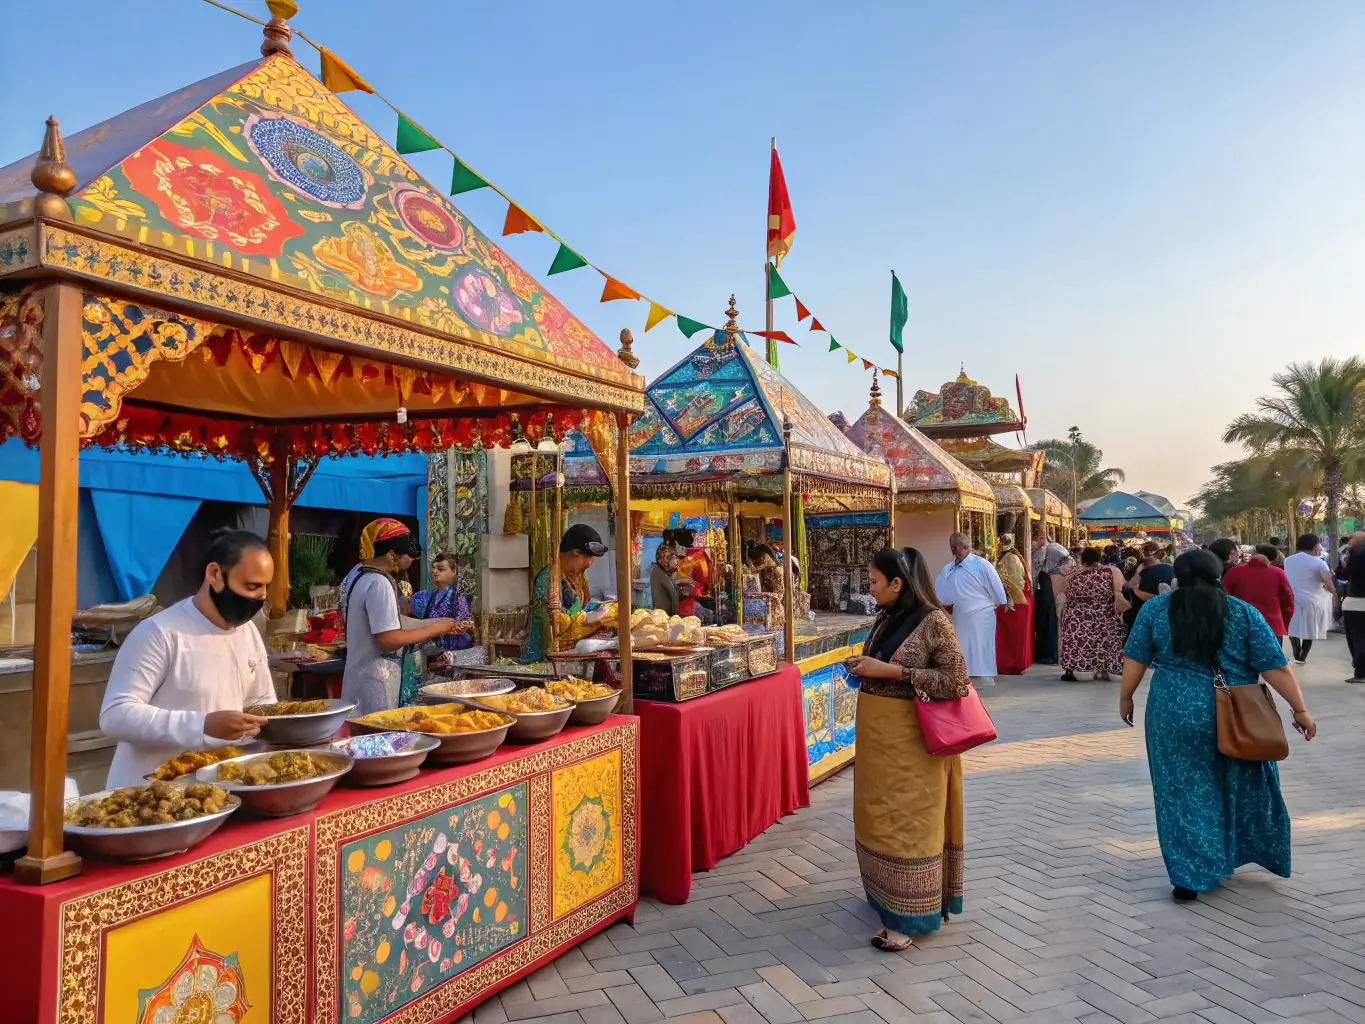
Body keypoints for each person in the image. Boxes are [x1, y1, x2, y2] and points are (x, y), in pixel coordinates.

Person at [1119, 549, 1316, 903]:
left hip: (1173, 709)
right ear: (1218, 574)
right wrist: (1300, 710)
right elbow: (1275, 667)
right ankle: (1229, 855)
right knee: (1240, 782)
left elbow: (1135, 659)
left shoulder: (1154, 609)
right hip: (1238, 710)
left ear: (1177, 576)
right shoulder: (1242, 613)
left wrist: (1126, 698)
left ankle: (1188, 876)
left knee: (1180, 790)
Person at [843, 547, 969, 951]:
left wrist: (892, 671)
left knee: (909, 826)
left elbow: (956, 681)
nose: (870, 589)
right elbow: (878, 662)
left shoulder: (934, 622)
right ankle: (884, 898)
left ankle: (908, 919)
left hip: (914, 746)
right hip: (878, 742)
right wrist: (863, 664)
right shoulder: (884, 617)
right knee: (877, 817)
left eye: (875, 582)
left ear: (898, 584)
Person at [99, 529, 277, 788]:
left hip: (224, 791)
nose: (261, 597)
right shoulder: (160, 633)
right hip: (149, 797)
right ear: (214, 574)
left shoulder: (247, 630)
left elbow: (261, 703)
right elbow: (115, 715)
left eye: (265, 588)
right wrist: (202, 724)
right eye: (252, 586)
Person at [340, 519, 458, 716]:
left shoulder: (354, 576)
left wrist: (436, 622)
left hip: (356, 679)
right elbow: (389, 640)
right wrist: (435, 630)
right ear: (391, 555)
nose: (411, 561)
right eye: (408, 556)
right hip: (376, 683)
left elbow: (392, 622)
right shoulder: (379, 583)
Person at [523, 523, 608, 663]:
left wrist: (601, 611)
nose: (590, 563)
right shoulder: (549, 580)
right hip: (544, 659)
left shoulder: (579, 577)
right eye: (588, 558)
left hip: (570, 654)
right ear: (575, 552)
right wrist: (587, 618)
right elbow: (557, 624)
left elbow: (582, 606)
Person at [935, 532, 1009, 685]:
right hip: (961, 614)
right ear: (954, 549)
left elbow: (998, 590)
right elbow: (941, 596)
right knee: (964, 646)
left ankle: (984, 676)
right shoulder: (948, 569)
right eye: (956, 549)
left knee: (982, 645)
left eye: (965, 548)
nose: (962, 552)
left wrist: (996, 603)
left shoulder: (981, 565)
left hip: (983, 613)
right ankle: (966, 676)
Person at [1058, 547, 1129, 681]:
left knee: (1080, 642)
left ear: (1083, 559)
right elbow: (1120, 589)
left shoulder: (1072, 573)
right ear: (1099, 558)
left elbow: (1063, 591)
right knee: (1107, 642)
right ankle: (1106, 669)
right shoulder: (1112, 571)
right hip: (1106, 617)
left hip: (1078, 620)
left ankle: (1080, 668)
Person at [1222, 544, 1294, 645]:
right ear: (1273, 559)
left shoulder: (1234, 571)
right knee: (1271, 658)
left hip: (1242, 624)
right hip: (1272, 625)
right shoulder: (1278, 573)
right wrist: (1284, 623)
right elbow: (1288, 600)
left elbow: (1224, 597)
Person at [1283, 533, 1334, 665]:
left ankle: (1296, 650)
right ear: (1316, 546)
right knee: (1309, 630)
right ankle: (1302, 657)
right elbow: (1327, 582)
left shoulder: (1288, 560)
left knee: (1293, 627)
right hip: (1313, 601)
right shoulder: (1319, 562)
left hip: (1292, 599)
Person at [409, 551, 475, 653]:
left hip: (447, 654)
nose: (435, 571)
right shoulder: (424, 596)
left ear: (454, 572)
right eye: (433, 568)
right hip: (426, 652)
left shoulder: (458, 598)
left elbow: (465, 626)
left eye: (440, 569)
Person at [1031, 531, 1072, 665]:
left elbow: (1068, 561)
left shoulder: (1052, 549)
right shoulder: (1043, 550)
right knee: (1043, 619)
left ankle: (1050, 653)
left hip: (1048, 586)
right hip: (1042, 587)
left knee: (1048, 619)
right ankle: (1044, 652)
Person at [994, 534, 1032, 675]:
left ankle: (1011, 664)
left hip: (1013, 602)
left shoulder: (1010, 558)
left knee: (1010, 637)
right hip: (1010, 601)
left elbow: (1014, 583)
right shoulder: (1009, 557)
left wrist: (1008, 599)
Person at [1340, 538, 1365, 682]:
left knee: (1357, 640)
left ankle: (1360, 672)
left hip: (1353, 604)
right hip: (1354, 603)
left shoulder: (1353, 564)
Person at [1134, 541, 1175, 605]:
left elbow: (1140, 594)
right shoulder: (1170, 568)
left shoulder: (1142, 571)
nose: (1140, 553)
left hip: (1147, 609)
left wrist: (1135, 589)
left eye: (1143, 551)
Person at [650, 542, 681, 617]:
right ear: (665, 559)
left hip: (662, 617)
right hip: (661, 618)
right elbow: (674, 602)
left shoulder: (662, 571)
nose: (677, 561)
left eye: (676, 557)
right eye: (673, 558)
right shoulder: (659, 573)